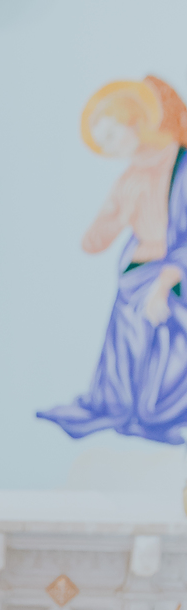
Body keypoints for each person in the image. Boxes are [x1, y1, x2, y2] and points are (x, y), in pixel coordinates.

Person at [38, 76, 187, 443]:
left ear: (136, 120)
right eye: (101, 143)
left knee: (159, 357)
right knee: (125, 341)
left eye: (112, 135)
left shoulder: (179, 164)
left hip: (170, 280)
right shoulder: (129, 178)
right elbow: (95, 240)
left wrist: (163, 286)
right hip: (135, 277)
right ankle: (119, 404)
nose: (109, 148)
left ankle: (152, 410)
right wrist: (113, 215)